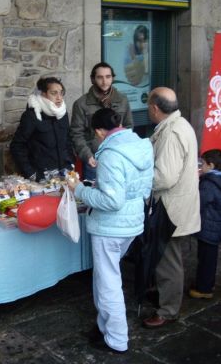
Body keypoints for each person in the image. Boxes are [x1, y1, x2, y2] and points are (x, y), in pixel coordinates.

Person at [67, 108, 153, 354]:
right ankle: (105, 327)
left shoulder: (110, 155)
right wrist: (98, 186)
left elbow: (112, 201)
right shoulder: (141, 145)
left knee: (108, 283)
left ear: (98, 131)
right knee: (107, 277)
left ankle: (116, 338)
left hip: (110, 226)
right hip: (132, 221)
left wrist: (79, 190)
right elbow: (140, 187)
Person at [142, 87, 201, 329]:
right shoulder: (179, 125)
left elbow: (164, 177)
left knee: (169, 260)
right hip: (175, 205)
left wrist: (139, 182)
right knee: (166, 257)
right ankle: (165, 296)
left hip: (171, 208)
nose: (148, 110)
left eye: (149, 106)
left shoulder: (172, 132)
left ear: (155, 108)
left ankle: (168, 310)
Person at [70, 62, 133, 181]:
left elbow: (128, 126)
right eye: (100, 77)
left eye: (108, 77)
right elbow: (76, 134)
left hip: (118, 157)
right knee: (93, 195)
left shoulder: (123, 100)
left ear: (112, 78)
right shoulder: (81, 104)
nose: (104, 81)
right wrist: (87, 156)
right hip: (94, 160)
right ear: (93, 79)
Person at [10, 77, 74, 181]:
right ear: (43, 94)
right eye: (54, 93)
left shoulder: (62, 113)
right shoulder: (31, 116)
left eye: (61, 93)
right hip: (41, 176)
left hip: (64, 173)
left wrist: (71, 163)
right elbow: (17, 145)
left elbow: (68, 141)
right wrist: (30, 173)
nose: (59, 97)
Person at [189, 149, 221, 299]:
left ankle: (204, 289)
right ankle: (208, 283)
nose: (201, 167)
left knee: (206, 259)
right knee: (210, 258)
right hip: (215, 226)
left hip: (208, 227)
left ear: (211, 165)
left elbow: (199, 203)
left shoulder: (209, 183)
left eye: (203, 164)